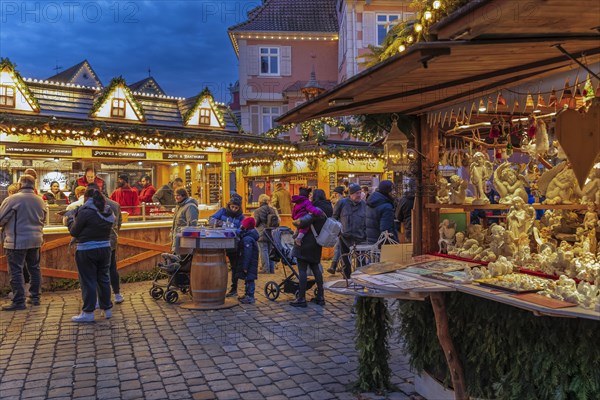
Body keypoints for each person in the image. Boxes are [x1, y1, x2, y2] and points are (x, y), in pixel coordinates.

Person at [66, 187, 115, 322]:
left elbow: (74, 232)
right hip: (105, 248)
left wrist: (70, 220)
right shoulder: (108, 210)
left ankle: (88, 312)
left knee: (88, 281)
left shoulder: (85, 212)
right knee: (103, 279)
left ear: (86, 198)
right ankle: (107, 309)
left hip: (87, 249)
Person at [0, 175, 46, 311]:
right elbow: (43, 219)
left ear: (20, 184)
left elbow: (1, 219)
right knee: (34, 269)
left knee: (16, 270)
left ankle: (19, 300)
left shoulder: (12, 200)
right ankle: (35, 297)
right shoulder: (40, 201)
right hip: (36, 239)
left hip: (16, 240)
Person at [290, 188, 333, 307]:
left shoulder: (316, 209)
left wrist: (295, 222)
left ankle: (301, 298)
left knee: (302, 269)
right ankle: (320, 296)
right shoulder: (328, 208)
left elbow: (302, 222)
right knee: (316, 268)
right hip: (317, 242)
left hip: (306, 241)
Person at [89, 183, 124, 304]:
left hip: (96, 241)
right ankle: (117, 294)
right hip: (112, 240)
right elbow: (119, 223)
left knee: (97, 270)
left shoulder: (92, 205)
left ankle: (99, 299)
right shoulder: (115, 204)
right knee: (112, 267)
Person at [209, 196, 245, 297]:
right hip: (218, 242)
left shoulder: (241, 217)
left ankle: (234, 288)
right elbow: (211, 219)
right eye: (232, 207)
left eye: (236, 208)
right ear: (229, 205)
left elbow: (241, 229)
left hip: (233, 243)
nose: (234, 209)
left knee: (234, 265)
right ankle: (213, 286)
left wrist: (234, 229)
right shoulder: (223, 211)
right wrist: (222, 223)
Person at [333, 183, 366, 278]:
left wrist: (365, 233)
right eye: (356, 193)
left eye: (360, 192)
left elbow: (367, 219)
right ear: (350, 194)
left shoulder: (364, 204)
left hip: (360, 236)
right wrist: (339, 232)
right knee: (345, 258)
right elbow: (334, 218)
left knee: (361, 260)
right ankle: (346, 277)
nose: (359, 195)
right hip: (345, 236)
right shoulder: (342, 203)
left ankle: (360, 278)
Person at [366, 180, 398, 244]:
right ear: (387, 192)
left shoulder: (371, 201)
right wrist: (395, 243)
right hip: (382, 243)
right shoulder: (387, 207)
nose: (394, 192)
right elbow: (386, 231)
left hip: (371, 239)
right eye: (392, 190)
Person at [253, 194, 279, 274]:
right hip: (271, 232)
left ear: (260, 201)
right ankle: (271, 269)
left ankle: (265, 269)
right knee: (270, 251)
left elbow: (256, 223)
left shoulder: (257, 211)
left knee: (263, 251)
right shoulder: (272, 210)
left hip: (262, 232)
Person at [237, 217, 259, 304]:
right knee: (247, 279)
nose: (241, 225)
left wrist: (245, 266)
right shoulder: (249, 236)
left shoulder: (247, 239)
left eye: (243, 224)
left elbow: (247, 254)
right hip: (251, 262)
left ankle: (250, 296)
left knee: (250, 279)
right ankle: (247, 294)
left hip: (250, 263)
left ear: (246, 227)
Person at [327, 186, 346, 274]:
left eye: (335, 193)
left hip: (340, 226)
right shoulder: (339, 201)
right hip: (341, 226)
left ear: (338, 193)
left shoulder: (340, 202)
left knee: (339, 246)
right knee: (340, 246)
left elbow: (335, 215)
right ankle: (341, 265)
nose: (334, 195)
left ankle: (334, 266)